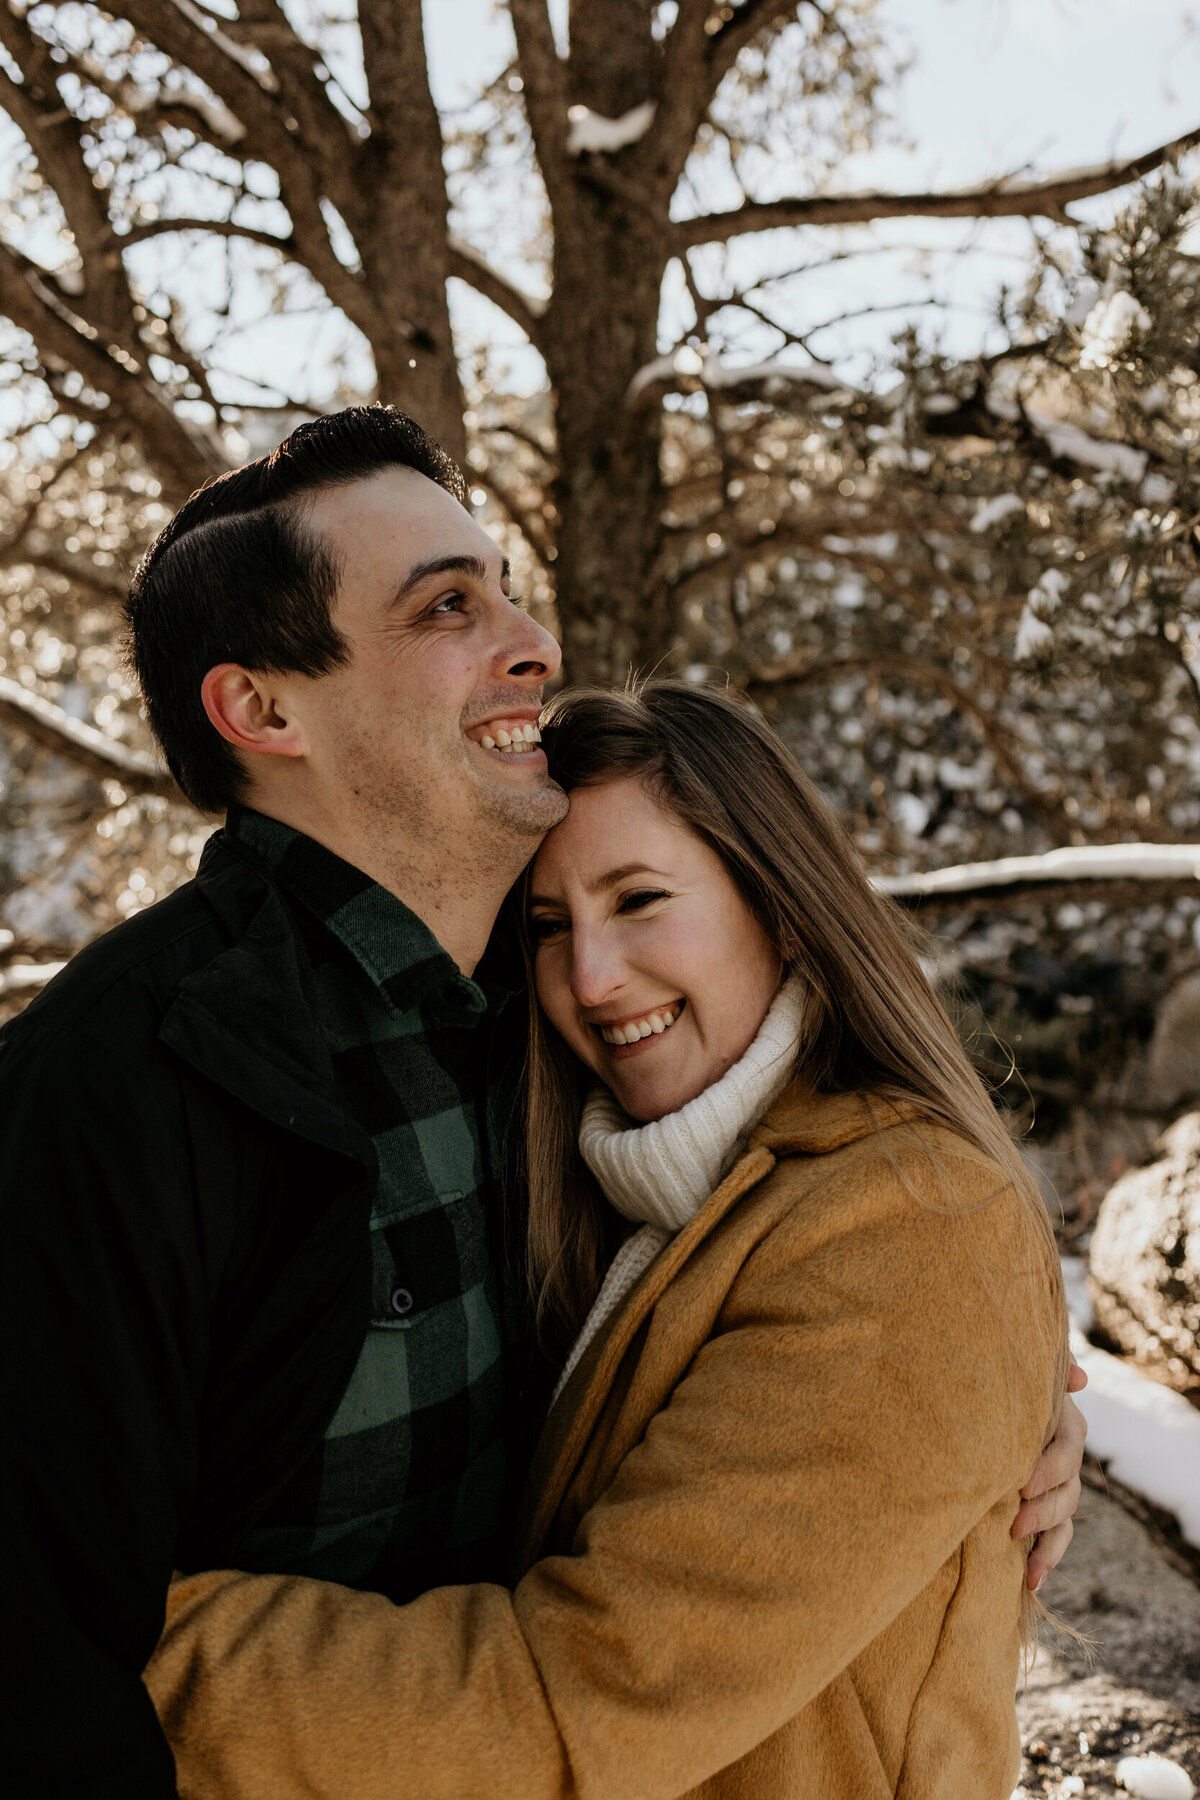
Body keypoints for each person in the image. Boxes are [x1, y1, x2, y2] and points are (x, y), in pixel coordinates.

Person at [0, 408, 1081, 1796]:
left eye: (505, 586)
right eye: (448, 605)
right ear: (263, 709)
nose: (532, 641)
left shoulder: (540, 1042)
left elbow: (846, 1310)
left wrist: (1001, 1402)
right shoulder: (113, 1087)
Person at [146, 680, 1073, 1800]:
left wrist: (141, 1653)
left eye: (639, 900)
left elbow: (581, 1693)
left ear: (780, 904)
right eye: (548, 927)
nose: (589, 978)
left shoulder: (911, 1229)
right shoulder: (632, 1187)